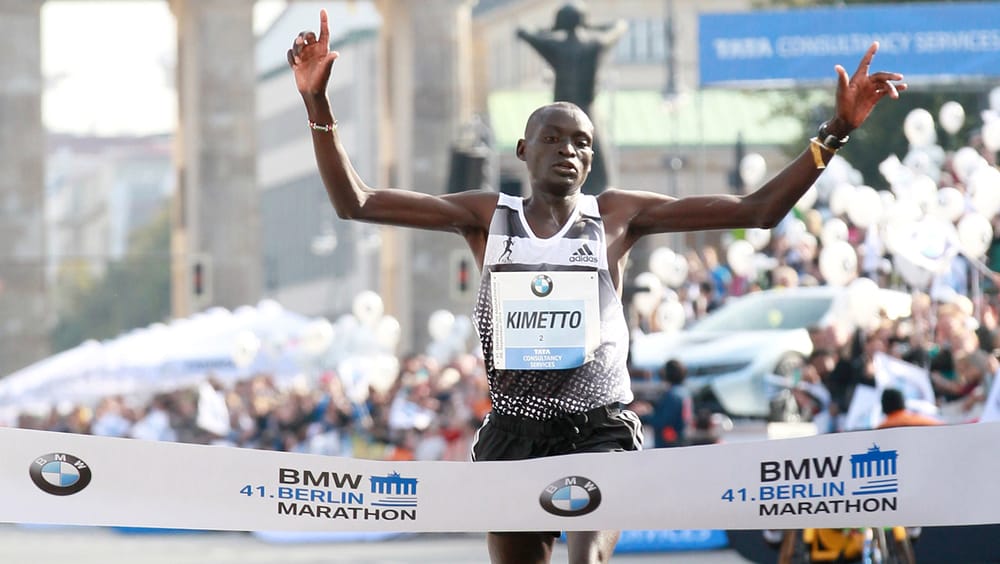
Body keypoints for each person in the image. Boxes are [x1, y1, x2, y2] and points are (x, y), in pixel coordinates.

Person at [287, 10, 905, 563]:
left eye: (581, 142)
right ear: (523, 150)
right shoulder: (487, 216)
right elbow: (356, 202)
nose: (568, 150)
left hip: (599, 429)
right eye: (553, 138)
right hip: (512, 433)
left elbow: (757, 210)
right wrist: (317, 103)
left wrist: (835, 129)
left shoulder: (616, 216)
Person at [876, 387, 942, 429]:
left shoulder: (881, 428)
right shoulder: (922, 421)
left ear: (883, 405)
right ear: (902, 402)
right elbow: (942, 428)